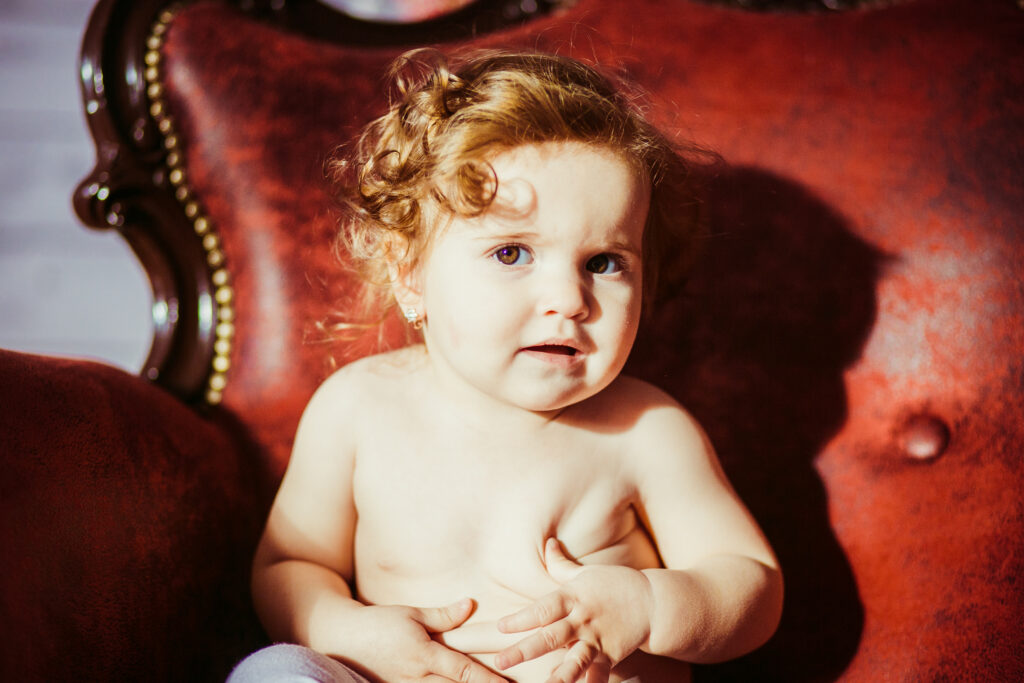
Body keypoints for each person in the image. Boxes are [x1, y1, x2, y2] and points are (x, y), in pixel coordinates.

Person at [228, 48, 783, 683]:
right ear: (409, 274)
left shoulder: (646, 429)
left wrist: (651, 605)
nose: (569, 299)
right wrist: (342, 630)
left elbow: (752, 586)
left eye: (604, 263)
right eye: (512, 253)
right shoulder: (356, 408)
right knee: (276, 671)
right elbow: (290, 563)